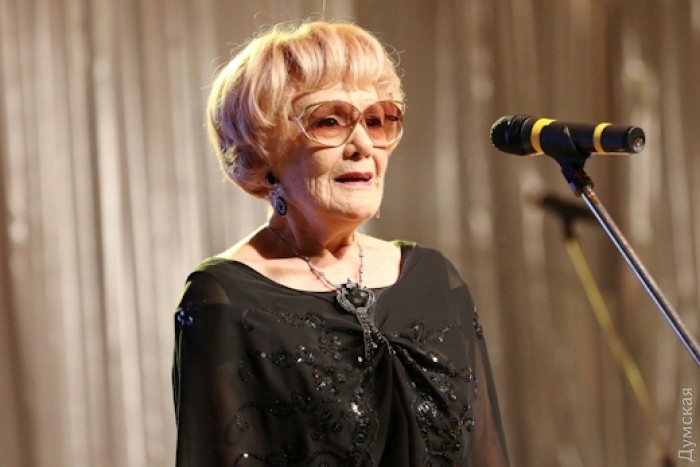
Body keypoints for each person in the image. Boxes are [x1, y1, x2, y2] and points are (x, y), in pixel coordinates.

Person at [172, 20, 509, 466]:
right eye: (330, 121)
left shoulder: (434, 280)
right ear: (263, 148)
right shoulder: (226, 299)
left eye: (377, 120)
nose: (363, 145)